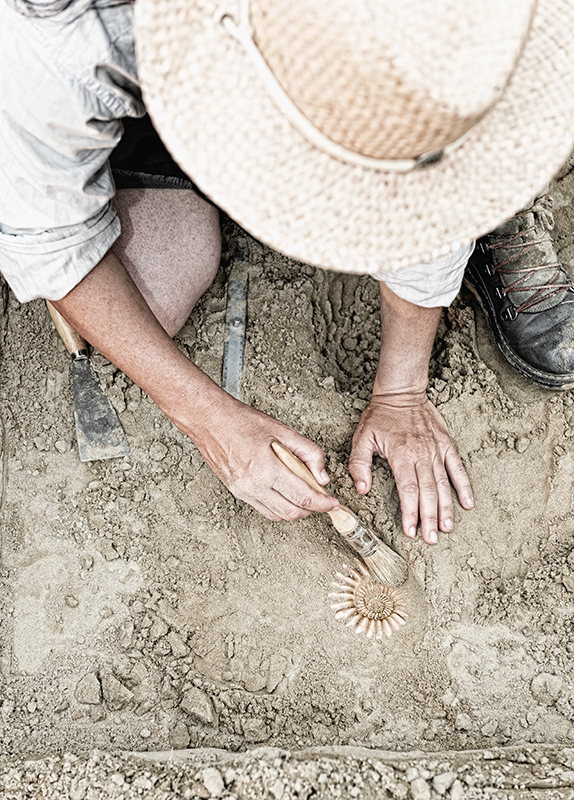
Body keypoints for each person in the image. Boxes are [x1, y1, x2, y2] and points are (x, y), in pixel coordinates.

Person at [1, 0, 573, 546]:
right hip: (139, 84)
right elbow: (52, 240)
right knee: (147, 303)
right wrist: (214, 424)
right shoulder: (61, 38)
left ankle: (498, 204)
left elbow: (435, 178)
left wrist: (401, 390)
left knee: (450, 164)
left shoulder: (454, 36)